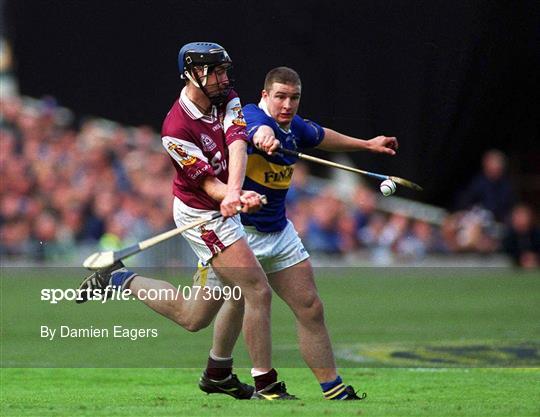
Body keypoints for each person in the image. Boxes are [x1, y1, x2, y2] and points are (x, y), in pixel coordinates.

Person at [77, 44, 296, 400]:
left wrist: (236, 192)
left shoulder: (227, 98)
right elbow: (208, 184)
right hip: (200, 213)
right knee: (255, 288)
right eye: (217, 72)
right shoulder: (175, 129)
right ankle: (266, 384)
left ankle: (121, 280)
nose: (225, 79)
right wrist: (230, 197)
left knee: (195, 316)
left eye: (225, 71)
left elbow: (237, 144)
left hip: (223, 204)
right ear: (193, 74)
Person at [200, 66, 398, 400]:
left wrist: (367, 144)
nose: (287, 104)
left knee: (310, 307)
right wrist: (264, 137)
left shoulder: (297, 128)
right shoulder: (248, 116)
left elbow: (322, 136)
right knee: (202, 312)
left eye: (294, 98)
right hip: (238, 233)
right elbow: (254, 130)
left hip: (279, 232)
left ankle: (332, 388)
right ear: (265, 96)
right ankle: (125, 282)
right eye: (280, 96)